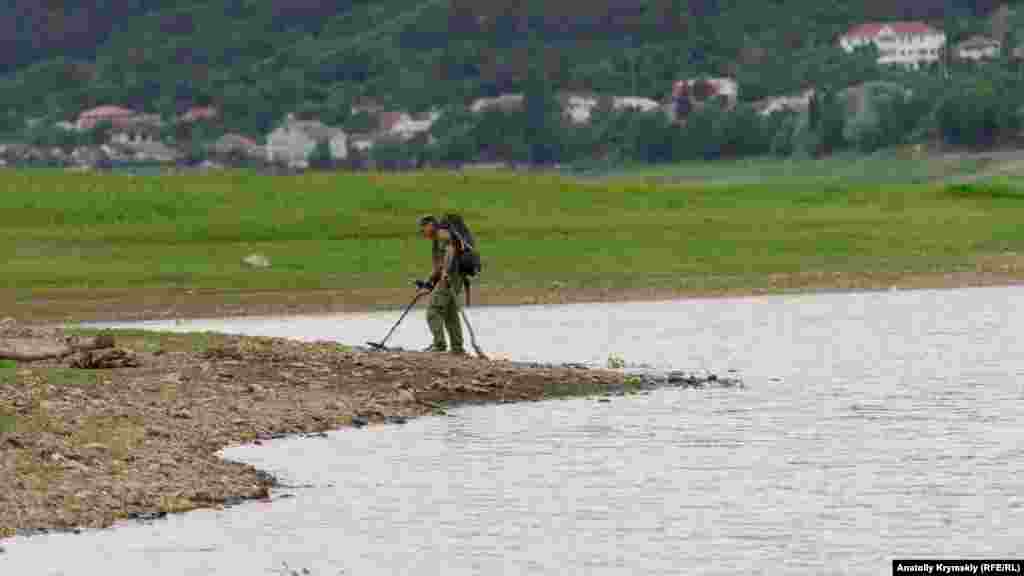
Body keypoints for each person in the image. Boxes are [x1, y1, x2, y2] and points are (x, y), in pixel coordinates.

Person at [417, 215, 465, 354]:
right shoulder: (437, 239)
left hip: (450, 278)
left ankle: (439, 345)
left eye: (423, 228)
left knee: (433, 311)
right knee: (450, 313)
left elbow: (450, 251)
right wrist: (428, 281)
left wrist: (445, 272)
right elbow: (439, 264)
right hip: (456, 277)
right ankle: (457, 348)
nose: (422, 232)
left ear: (431, 225)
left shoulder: (442, 235)